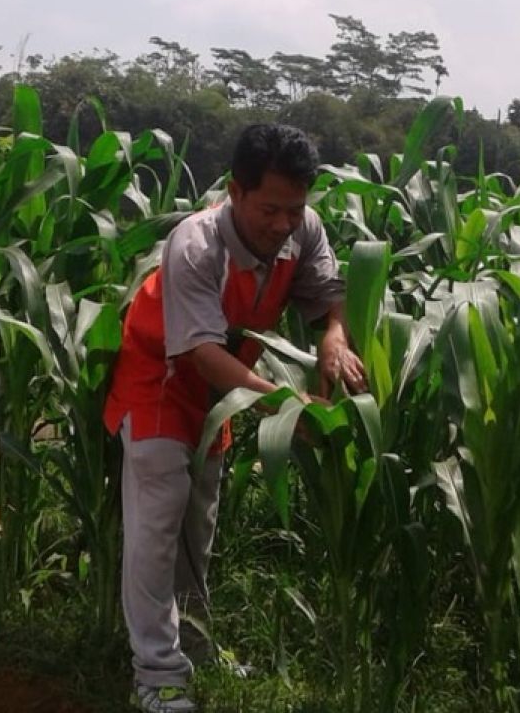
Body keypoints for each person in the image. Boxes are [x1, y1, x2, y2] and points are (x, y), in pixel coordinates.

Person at [103, 123, 367, 713]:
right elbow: (198, 351)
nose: (283, 224)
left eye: (294, 209)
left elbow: (330, 295)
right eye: (269, 209)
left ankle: (192, 649)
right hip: (161, 384)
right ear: (235, 192)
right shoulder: (196, 244)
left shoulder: (303, 231)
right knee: (156, 530)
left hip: (224, 393)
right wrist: (284, 405)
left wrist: (333, 334)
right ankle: (156, 674)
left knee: (199, 528)